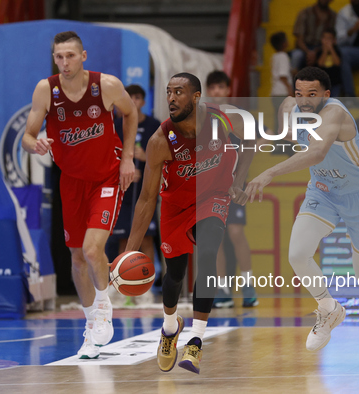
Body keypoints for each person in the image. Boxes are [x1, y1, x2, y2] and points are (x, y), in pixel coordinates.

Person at [246, 67, 359, 363]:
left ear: (326, 94)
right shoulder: (290, 106)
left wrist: (270, 172)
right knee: (297, 255)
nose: (304, 101)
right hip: (322, 191)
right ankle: (328, 309)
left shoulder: (335, 114)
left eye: (311, 95)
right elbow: (284, 133)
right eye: (299, 94)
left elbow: (316, 152)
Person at [125, 73, 252, 374]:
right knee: (175, 274)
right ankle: (170, 328)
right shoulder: (160, 140)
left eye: (179, 92)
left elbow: (248, 142)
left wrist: (239, 180)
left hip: (214, 195)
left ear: (196, 97)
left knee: (207, 251)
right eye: (168, 92)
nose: (171, 98)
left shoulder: (223, 120)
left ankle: (196, 339)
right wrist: (129, 251)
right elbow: (145, 200)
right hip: (176, 205)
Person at [21, 31, 137, 359]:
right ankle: (91, 326)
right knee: (76, 257)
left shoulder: (106, 85)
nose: (65, 62)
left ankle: (104, 311)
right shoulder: (47, 90)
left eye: (71, 55)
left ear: (83, 56)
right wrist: (36, 144)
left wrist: (127, 157)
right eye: (59, 57)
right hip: (71, 183)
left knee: (91, 249)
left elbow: (130, 114)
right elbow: (28, 137)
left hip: (106, 178)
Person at [204, 70, 258, 309]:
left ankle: (248, 285)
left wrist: (240, 180)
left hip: (235, 182)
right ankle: (222, 289)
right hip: (211, 185)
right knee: (216, 237)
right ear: (207, 91)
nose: (216, 91)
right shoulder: (202, 116)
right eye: (212, 87)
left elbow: (256, 141)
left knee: (236, 233)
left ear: (228, 90)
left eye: (220, 87)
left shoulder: (238, 116)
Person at [111, 84, 161, 260]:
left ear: (143, 101)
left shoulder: (155, 125)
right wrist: (124, 171)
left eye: (137, 98)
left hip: (146, 191)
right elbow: (108, 157)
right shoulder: (115, 125)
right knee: (124, 239)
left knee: (146, 238)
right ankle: (121, 283)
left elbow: (167, 158)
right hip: (122, 191)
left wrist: (147, 158)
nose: (133, 101)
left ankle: (149, 286)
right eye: (129, 97)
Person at [290, 0, 337, 71]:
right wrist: (309, 52)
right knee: (297, 55)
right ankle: (292, 80)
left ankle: (332, 82)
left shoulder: (333, 16)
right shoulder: (305, 13)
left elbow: (333, 39)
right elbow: (299, 40)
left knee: (335, 57)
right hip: (304, 48)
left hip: (322, 48)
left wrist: (316, 52)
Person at [315, 29, 343, 98]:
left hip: (335, 82)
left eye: (329, 38)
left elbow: (337, 63)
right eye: (325, 38)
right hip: (323, 83)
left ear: (334, 40)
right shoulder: (319, 51)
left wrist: (331, 49)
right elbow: (320, 64)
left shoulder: (337, 51)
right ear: (321, 39)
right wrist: (325, 52)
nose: (327, 41)